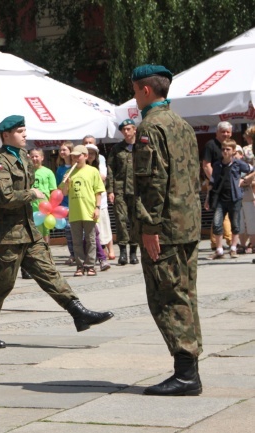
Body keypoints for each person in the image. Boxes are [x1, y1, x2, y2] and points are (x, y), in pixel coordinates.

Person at [0, 115, 113, 349]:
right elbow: (5, 197)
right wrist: (32, 194)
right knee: (2, 284)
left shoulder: (25, 158)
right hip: (8, 235)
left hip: (30, 231)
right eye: (20, 131)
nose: (25, 134)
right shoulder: (0, 162)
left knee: (50, 274)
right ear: (6, 135)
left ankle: (78, 312)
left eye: (25, 130)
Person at [131, 64, 202, 396]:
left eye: (134, 91)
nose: (134, 97)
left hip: (166, 230)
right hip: (187, 225)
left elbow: (152, 182)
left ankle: (186, 374)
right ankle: (189, 370)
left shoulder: (151, 127)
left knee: (168, 298)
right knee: (186, 296)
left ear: (145, 90)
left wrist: (149, 226)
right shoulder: (183, 125)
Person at [204, 139, 254, 259]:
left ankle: (233, 248)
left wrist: (246, 179)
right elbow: (212, 182)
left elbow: (252, 169)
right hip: (220, 198)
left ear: (233, 151)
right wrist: (207, 198)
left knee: (235, 224)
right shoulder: (217, 165)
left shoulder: (238, 163)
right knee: (217, 223)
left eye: (228, 149)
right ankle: (219, 250)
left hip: (234, 197)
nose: (225, 151)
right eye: (223, 149)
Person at [60, 145, 105, 277]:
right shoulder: (69, 173)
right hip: (75, 211)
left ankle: (90, 266)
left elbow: (98, 191)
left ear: (85, 156)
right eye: (73, 156)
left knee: (91, 240)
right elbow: (63, 192)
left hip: (89, 210)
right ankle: (79, 266)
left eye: (78, 156)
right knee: (77, 241)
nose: (75, 158)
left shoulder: (92, 171)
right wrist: (67, 183)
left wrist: (97, 208)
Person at [107, 119, 139, 265]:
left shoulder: (142, 146)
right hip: (120, 189)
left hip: (138, 189)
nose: (126, 132)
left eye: (128, 129)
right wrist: (110, 190)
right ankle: (123, 253)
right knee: (121, 220)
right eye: (123, 130)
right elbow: (111, 170)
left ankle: (133, 252)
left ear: (134, 130)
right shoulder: (117, 149)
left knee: (135, 220)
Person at [202, 121, 234, 248]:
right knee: (221, 210)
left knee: (220, 212)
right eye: (223, 132)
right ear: (217, 132)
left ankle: (215, 242)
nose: (225, 134)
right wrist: (214, 180)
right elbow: (206, 165)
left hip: (229, 184)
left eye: (228, 132)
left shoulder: (231, 145)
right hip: (216, 184)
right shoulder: (211, 145)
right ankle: (229, 239)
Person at [84, 142, 112, 272]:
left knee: (99, 231)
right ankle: (98, 257)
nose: (89, 156)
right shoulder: (80, 167)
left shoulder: (99, 166)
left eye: (92, 153)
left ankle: (99, 256)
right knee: (93, 232)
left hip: (99, 202)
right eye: (87, 153)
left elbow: (103, 178)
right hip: (85, 204)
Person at [55, 142, 76, 264]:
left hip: (76, 201)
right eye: (61, 150)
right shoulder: (60, 168)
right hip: (64, 203)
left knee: (79, 230)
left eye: (64, 150)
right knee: (68, 230)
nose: (62, 152)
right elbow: (58, 186)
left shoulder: (76, 166)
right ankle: (72, 254)